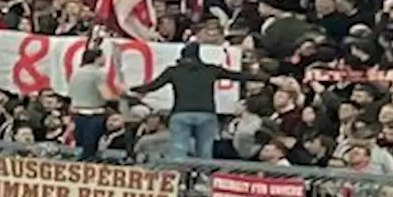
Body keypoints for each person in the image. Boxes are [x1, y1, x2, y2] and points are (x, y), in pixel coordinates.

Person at [128, 42, 269, 159]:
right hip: (206, 114)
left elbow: (152, 86)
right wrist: (266, 78)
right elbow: (238, 76)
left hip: (181, 113)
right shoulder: (210, 70)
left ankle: (180, 182)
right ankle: (202, 182)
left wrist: (132, 89)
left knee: (179, 151)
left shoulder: (174, 71)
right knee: (205, 153)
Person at [68, 48, 115, 161]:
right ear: (97, 58)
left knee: (81, 146)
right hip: (94, 114)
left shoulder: (77, 72)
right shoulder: (98, 73)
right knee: (91, 150)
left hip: (77, 114)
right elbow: (106, 95)